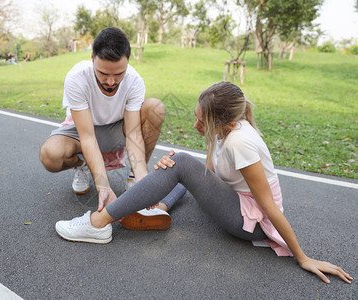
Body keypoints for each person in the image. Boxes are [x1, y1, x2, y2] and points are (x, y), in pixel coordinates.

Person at [55, 81, 353, 284]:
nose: (195, 126)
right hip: (238, 205)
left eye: (201, 122)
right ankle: (159, 206)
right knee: (180, 164)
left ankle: (98, 224)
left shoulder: (241, 144)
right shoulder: (226, 130)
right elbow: (209, 174)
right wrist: (169, 175)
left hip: (252, 221)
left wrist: (303, 258)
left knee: (182, 163)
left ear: (225, 123)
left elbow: (270, 208)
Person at [40, 27, 186, 229]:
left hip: (117, 129)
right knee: (50, 155)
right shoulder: (76, 78)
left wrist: (146, 185)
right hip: (83, 131)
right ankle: (83, 165)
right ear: (92, 58)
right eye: (103, 73)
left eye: (119, 74)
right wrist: (104, 186)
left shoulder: (134, 81)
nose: (110, 82)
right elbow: (88, 137)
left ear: (127, 61)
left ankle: (135, 178)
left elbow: (133, 134)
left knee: (155, 108)